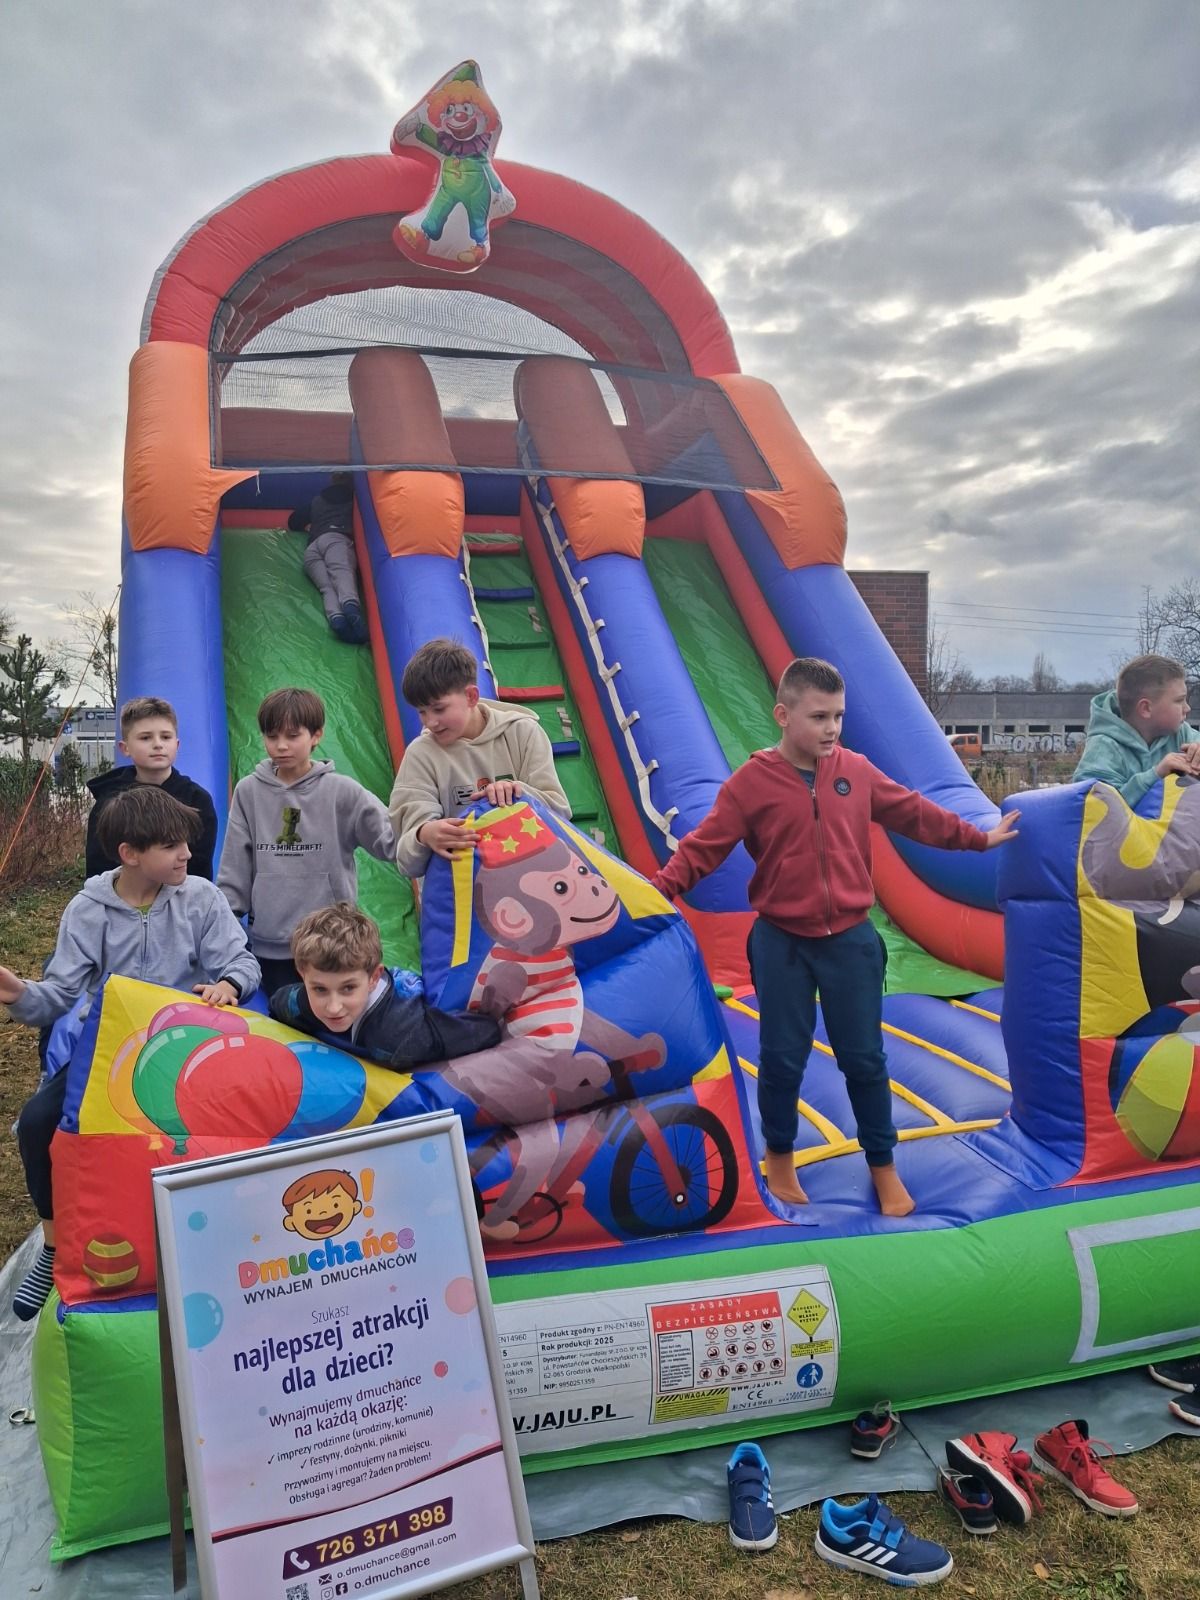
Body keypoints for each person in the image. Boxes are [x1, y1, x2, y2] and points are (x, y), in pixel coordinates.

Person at [650, 657, 1019, 1219]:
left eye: (839, 717)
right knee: (782, 1058)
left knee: (864, 1059)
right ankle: (779, 1156)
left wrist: (977, 839)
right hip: (782, 943)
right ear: (783, 715)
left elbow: (915, 814)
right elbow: (703, 848)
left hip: (850, 939)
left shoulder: (855, 771)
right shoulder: (751, 784)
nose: (832, 729)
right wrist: (656, 892)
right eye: (819, 717)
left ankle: (883, 1164)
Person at [0, 787, 260, 1321]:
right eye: (171, 846)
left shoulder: (202, 898)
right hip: (110, 1050)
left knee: (220, 1133)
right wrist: (18, 994)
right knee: (37, 1123)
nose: (187, 854)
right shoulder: (88, 909)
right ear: (130, 854)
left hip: (186, 1052)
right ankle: (54, 1247)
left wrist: (229, 983)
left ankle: (225, 1243)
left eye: (186, 843)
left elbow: (241, 961)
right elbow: (59, 995)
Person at [268, 903, 504, 1236]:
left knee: (427, 1131)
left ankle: (469, 1224)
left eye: (348, 988)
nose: (333, 1006)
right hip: (365, 1083)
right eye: (319, 989)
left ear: (374, 977)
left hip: (416, 1082)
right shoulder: (300, 1003)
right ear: (302, 974)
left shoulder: (406, 1032)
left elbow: (481, 1032)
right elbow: (278, 1003)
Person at [217, 687, 396, 996]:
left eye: (292, 736)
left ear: (316, 735)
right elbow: (235, 865)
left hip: (332, 943)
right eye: (272, 736)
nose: (281, 745)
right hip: (272, 945)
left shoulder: (342, 791)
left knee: (335, 1016)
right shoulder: (249, 792)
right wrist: (226, 921)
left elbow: (390, 840)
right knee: (284, 1018)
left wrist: (426, 834)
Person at [388, 637, 570, 877]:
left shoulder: (523, 733)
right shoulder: (420, 755)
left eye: (439, 709)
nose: (430, 722)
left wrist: (518, 792)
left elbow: (561, 815)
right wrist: (424, 835)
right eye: (422, 712)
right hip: (461, 887)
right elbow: (406, 861)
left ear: (471, 696)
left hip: (535, 877)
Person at [85, 696, 218, 879]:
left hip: (181, 895)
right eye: (145, 737)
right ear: (125, 748)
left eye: (166, 737)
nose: (158, 744)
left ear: (177, 744)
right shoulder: (109, 802)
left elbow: (199, 868)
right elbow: (98, 868)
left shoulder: (197, 799)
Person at [1074, 654, 1200, 806]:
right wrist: (1156, 775)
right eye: (1179, 700)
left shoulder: (1181, 734)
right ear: (1146, 708)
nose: (1187, 708)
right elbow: (1095, 808)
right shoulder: (1103, 749)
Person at [288, 472, 366, 643]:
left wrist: (310, 526)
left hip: (312, 548)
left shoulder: (317, 500)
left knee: (327, 587)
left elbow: (293, 521)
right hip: (336, 540)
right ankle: (354, 615)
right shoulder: (355, 500)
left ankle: (337, 618)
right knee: (342, 574)